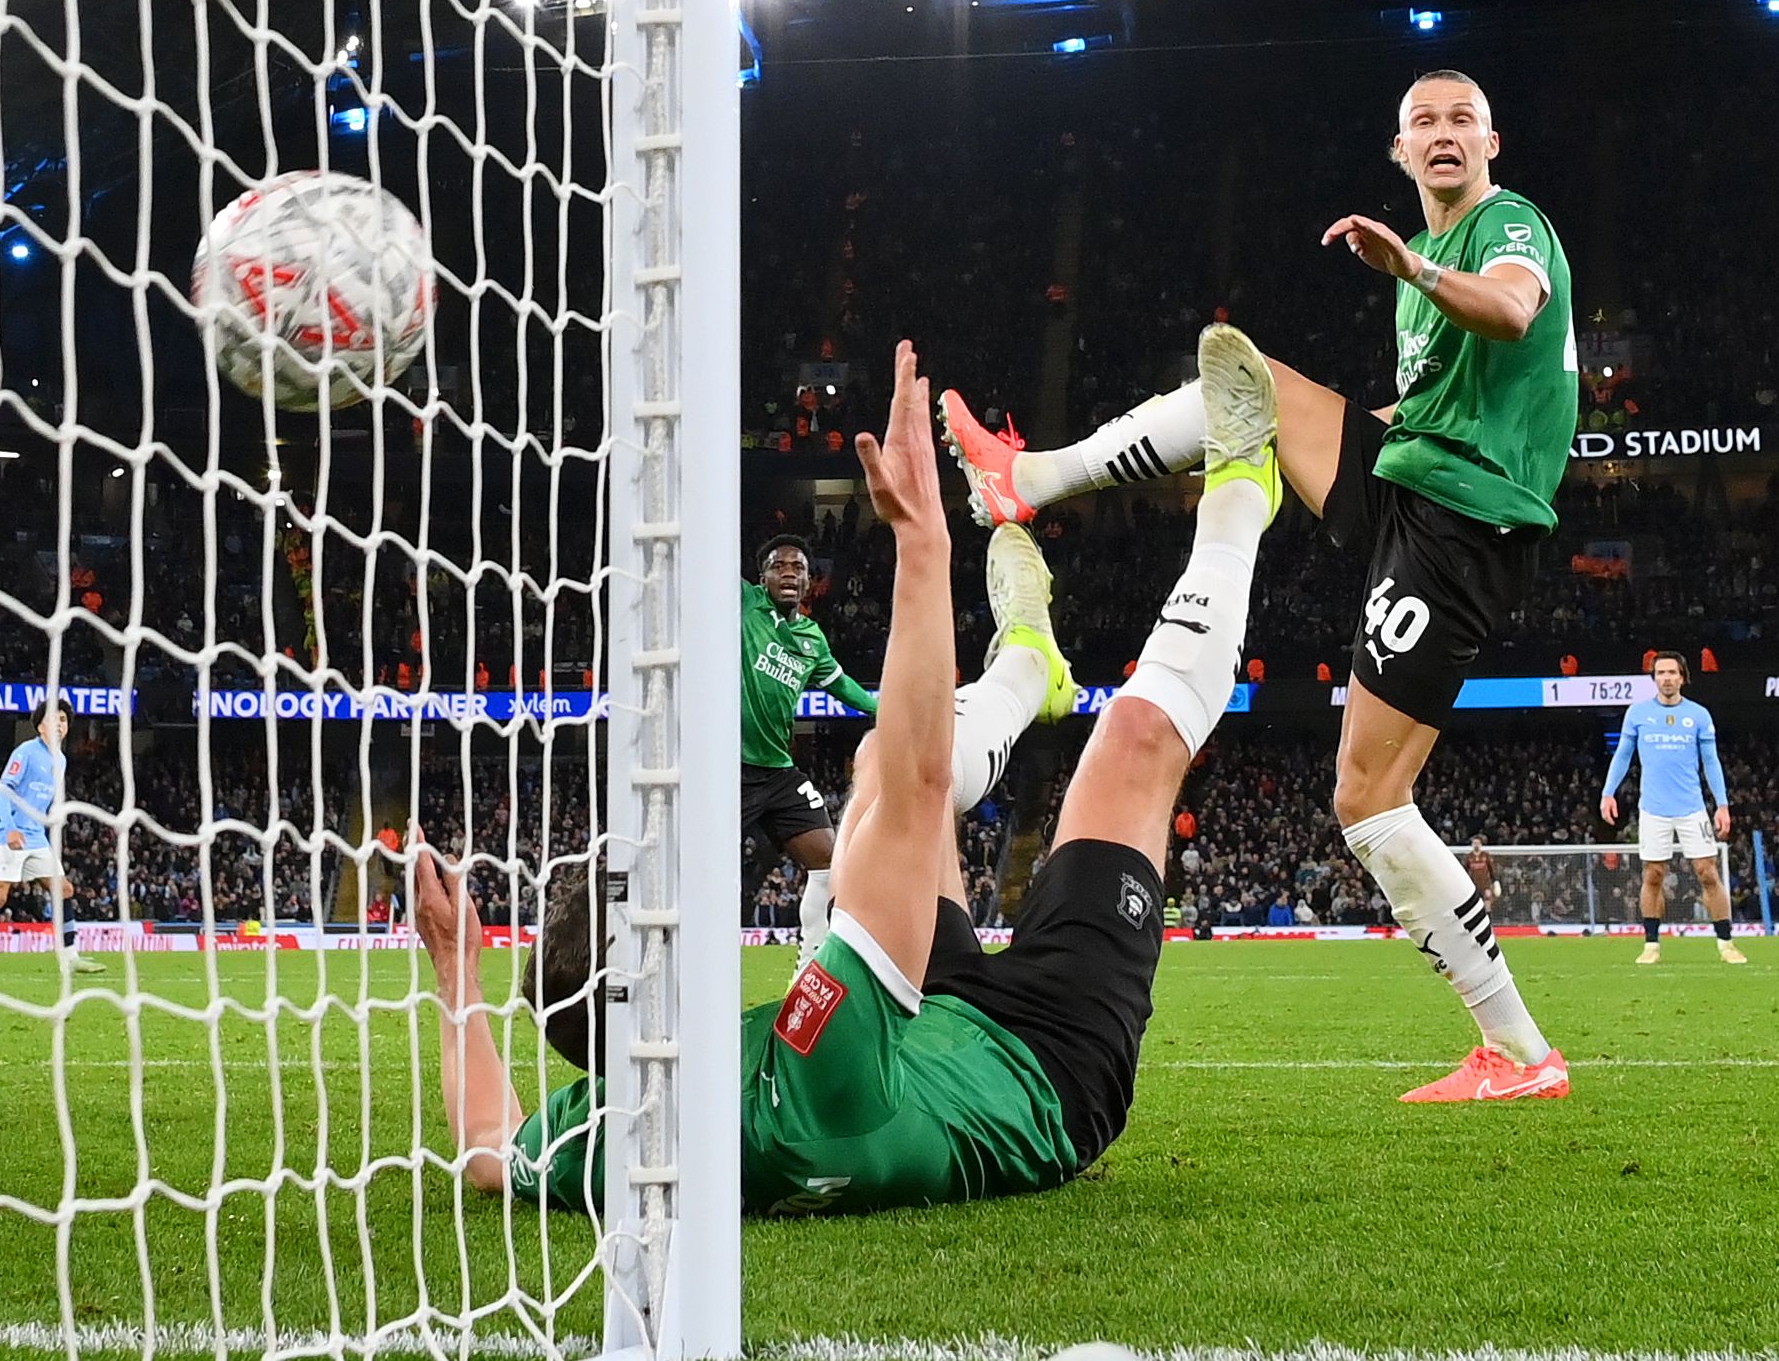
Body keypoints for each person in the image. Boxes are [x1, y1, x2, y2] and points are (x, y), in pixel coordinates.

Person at [420, 331, 1283, 1213]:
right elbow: (918, 778)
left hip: (911, 1025)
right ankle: (1244, 488)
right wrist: (920, 539)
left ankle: (1028, 661)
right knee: (1129, 739)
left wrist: (456, 977)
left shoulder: (626, 1126)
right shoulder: (815, 1057)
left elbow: (491, 1148)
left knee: (875, 764)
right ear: (655, 985)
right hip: (1046, 1070)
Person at [1308, 67, 1582, 1101]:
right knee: (1238, 384)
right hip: (1411, 480)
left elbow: (1511, 315)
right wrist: (1249, 455)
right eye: (1422, 120)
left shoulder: (1508, 226)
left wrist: (1413, 271)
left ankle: (1519, 1053)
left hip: (1463, 520)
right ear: (1398, 150)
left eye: (1462, 117)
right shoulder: (1422, 273)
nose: (1442, 133)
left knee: (1369, 796)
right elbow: (1419, 411)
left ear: (1491, 142)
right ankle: (1035, 476)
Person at [740, 536, 876, 939]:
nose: (788, 572)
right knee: (700, 865)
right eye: (778, 566)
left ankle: (808, 961)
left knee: (829, 862)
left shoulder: (812, 640)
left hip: (778, 773)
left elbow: (845, 688)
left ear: (808, 582)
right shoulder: (746, 605)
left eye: (797, 567)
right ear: (762, 577)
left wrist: (889, 713)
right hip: (729, 771)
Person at [1597, 651, 1740, 966]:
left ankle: (1726, 943)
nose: (1666, 678)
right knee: (1653, 875)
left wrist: (1722, 804)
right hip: (1653, 809)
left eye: (1672, 672)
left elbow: (1711, 761)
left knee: (1707, 873)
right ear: (1654, 678)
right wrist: (1608, 793)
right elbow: (1622, 755)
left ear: (1682, 677)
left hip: (1691, 808)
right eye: (1660, 672)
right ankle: (1651, 945)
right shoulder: (1637, 713)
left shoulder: (1698, 715)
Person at [0, 700, 100, 980]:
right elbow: (3, 791)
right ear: (41, 726)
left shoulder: (61, 761)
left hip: (35, 837)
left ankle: (70, 958)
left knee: (64, 889)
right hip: (8, 834)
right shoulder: (26, 752)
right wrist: (9, 829)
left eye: (64, 719)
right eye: (54, 719)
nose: (59, 724)